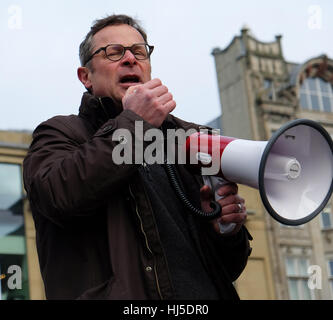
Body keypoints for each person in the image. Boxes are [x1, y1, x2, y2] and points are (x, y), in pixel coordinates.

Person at [23, 14, 252, 300]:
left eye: (139, 51)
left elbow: (227, 270)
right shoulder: (60, 133)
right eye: (114, 52)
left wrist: (224, 231)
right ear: (86, 77)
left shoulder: (190, 139)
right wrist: (136, 124)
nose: (130, 59)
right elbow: (57, 194)